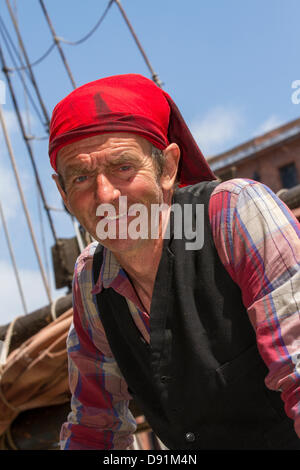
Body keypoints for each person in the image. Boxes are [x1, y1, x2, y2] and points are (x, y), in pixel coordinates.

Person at [49, 74, 300, 450]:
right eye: (82, 177)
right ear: (63, 194)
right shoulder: (92, 281)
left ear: (167, 168)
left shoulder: (233, 215)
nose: (104, 195)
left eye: (123, 167)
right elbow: (94, 428)